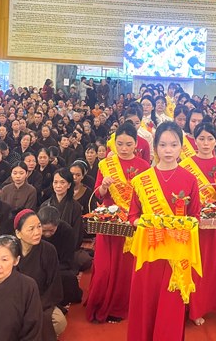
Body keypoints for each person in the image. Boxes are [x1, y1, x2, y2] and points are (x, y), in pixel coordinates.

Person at [127, 122, 201, 341]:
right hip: (149, 253)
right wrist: (147, 222)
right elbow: (132, 216)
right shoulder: (142, 180)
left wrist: (179, 226)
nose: (168, 150)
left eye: (174, 145)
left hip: (175, 256)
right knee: (145, 303)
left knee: (170, 307)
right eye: (163, 145)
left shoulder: (190, 179)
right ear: (155, 147)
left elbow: (195, 217)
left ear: (181, 147)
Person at [86, 123, 149, 323]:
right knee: (104, 267)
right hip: (109, 221)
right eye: (120, 144)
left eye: (128, 144)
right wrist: (104, 187)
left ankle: (118, 307)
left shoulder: (144, 167)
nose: (124, 148)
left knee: (124, 268)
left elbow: (146, 199)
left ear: (136, 144)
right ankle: (98, 302)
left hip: (131, 223)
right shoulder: (106, 164)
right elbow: (97, 194)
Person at [178, 122, 216, 326]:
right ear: (194, 140)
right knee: (192, 265)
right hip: (192, 225)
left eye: (210, 139)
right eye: (201, 138)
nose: (205, 143)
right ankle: (189, 306)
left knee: (209, 267)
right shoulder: (185, 165)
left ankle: (202, 306)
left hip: (213, 225)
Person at [14, 210, 66, 341]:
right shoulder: (10, 250)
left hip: (40, 301)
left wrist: (34, 307)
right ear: (18, 233)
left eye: (39, 227)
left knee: (59, 321)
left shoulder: (49, 250)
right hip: (13, 301)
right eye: (31, 229)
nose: (37, 232)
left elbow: (54, 286)